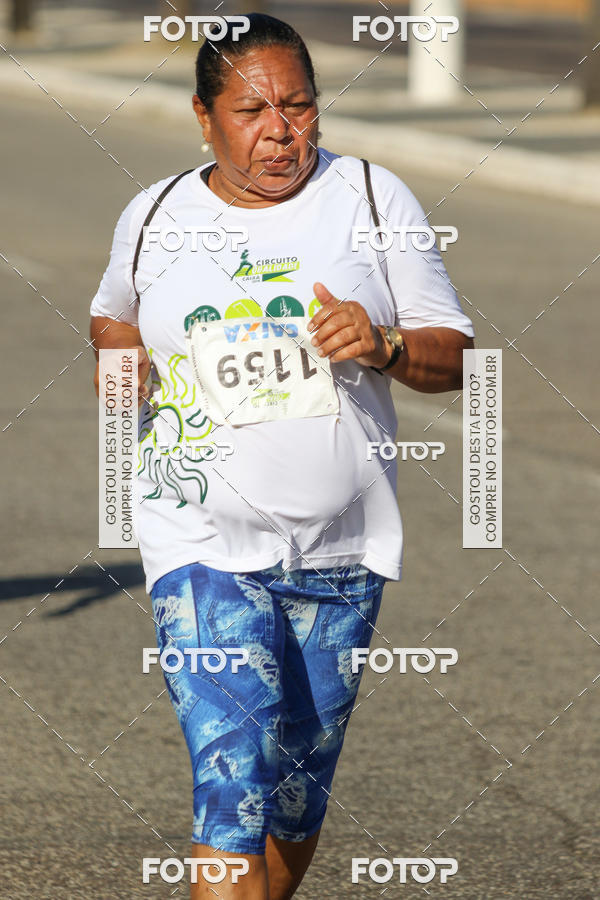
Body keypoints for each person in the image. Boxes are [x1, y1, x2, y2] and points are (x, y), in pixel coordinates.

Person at [90, 13, 474, 898]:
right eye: (254, 111)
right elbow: (113, 314)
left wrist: (381, 343)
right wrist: (123, 369)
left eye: (299, 107)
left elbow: (455, 357)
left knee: (294, 802)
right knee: (231, 794)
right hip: (200, 543)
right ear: (203, 115)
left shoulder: (374, 200)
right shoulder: (152, 215)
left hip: (341, 550)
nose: (281, 131)